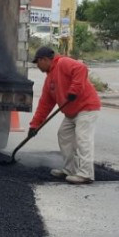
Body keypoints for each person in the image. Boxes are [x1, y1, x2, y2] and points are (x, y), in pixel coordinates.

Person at [28, 46, 102, 184]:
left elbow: (81, 68)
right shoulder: (49, 79)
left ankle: (86, 174)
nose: (37, 66)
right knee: (64, 135)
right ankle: (70, 170)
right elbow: (44, 105)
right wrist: (35, 125)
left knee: (82, 139)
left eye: (37, 62)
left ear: (44, 59)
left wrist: (74, 90)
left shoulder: (63, 63)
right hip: (71, 112)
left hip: (86, 107)